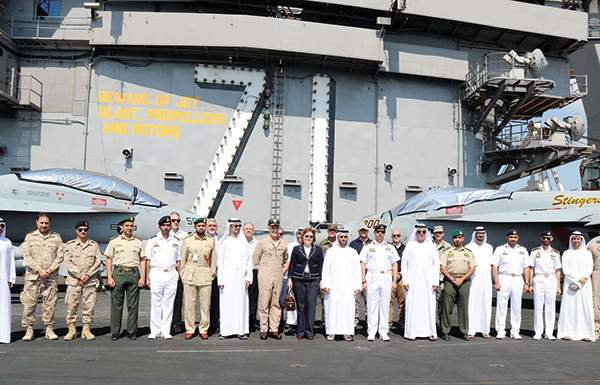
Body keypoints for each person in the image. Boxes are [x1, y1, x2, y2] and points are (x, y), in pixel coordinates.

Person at [21, 213, 64, 341]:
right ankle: (29, 330)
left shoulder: (56, 238)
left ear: (49, 223)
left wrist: (49, 270)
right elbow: (27, 256)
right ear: (37, 222)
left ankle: (49, 329)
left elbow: (60, 256)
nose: (44, 225)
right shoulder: (30, 237)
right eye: (42, 222)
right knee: (29, 304)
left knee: (50, 304)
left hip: (50, 278)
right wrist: (39, 270)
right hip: (33, 277)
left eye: (46, 223)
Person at [105, 216, 147, 341]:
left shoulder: (138, 242)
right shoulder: (114, 241)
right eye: (127, 226)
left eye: (131, 226)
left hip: (134, 273)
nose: (129, 228)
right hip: (119, 272)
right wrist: (109, 277)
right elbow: (109, 259)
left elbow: (142, 260)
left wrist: (143, 277)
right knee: (116, 304)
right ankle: (115, 331)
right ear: (122, 227)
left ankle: (132, 331)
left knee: (133, 304)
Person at [64, 220, 102, 341]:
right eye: (80, 230)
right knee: (72, 306)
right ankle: (72, 330)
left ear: (88, 230)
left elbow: (97, 262)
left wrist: (88, 275)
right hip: (74, 281)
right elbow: (67, 262)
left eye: (85, 230)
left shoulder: (94, 245)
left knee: (89, 306)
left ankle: (86, 329)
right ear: (76, 231)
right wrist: (80, 275)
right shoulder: (70, 245)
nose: (83, 232)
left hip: (89, 281)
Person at [360, 224, 399, 341]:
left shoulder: (390, 247)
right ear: (374, 233)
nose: (380, 234)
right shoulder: (368, 247)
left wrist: (394, 281)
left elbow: (395, 264)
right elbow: (363, 264)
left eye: (382, 232)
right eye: (378, 232)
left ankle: (383, 331)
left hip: (386, 276)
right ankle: (371, 331)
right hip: (372, 276)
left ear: (385, 233)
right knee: (372, 305)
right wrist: (363, 281)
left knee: (385, 305)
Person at [180, 217, 217, 340]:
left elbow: (213, 261)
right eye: (199, 226)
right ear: (195, 227)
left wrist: (212, 274)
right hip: (190, 274)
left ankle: (203, 329)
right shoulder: (188, 241)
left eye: (203, 226)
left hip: (205, 274)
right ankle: (190, 329)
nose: (201, 228)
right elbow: (183, 259)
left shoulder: (211, 241)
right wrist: (183, 274)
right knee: (189, 305)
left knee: (205, 305)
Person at [491, 229, 531, 340]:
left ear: (517, 238)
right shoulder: (500, 249)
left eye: (515, 237)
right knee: (501, 306)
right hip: (504, 277)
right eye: (511, 237)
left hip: (518, 278)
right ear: (507, 238)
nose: (513, 239)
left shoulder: (523, 250)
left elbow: (526, 267)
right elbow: (494, 266)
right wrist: (496, 282)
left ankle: (515, 331)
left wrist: (527, 282)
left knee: (517, 306)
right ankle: (500, 330)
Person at [322, 230, 362, 341]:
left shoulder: (353, 252)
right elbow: (326, 269)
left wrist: (357, 286)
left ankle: (347, 332)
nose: (343, 239)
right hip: (333, 285)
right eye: (341, 237)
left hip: (348, 286)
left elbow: (357, 270)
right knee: (332, 307)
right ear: (337, 238)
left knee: (347, 308)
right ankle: (331, 332)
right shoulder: (331, 251)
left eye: (345, 237)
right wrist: (326, 284)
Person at [145, 216, 181, 339]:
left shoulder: (176, 241)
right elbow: (148, 260)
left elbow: (178, 260)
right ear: (160, 226)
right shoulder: (153, 240)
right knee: (156, 303)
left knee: (168, 303)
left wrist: (179, 275)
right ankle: (154, 330)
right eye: (164, 226)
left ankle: (166, 330)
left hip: (171, 273)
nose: (166, 228)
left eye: (168, 225)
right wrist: (146, 277)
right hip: (156, 273)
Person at [217, 218, 253, 340]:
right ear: (230, 227)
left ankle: (241, 330)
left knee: (241, 304)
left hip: (241, 279)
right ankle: (226, 331)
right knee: (227, 304)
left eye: (239, 226)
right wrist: (220, 280)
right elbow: (220, 263)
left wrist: (248, 279)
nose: (237, 228)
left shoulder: (243, 243)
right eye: (235, 226)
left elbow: (249, 261)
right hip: (227, 280)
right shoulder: (224, 243)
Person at [402, 224, 439, 341]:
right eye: (419, 231)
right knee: (413, 306)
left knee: (428, 306)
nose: (421, 233)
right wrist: (405, 280)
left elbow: (436, 265)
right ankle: (411, 332)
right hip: (412, 282)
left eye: (423, 231)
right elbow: (404, 264)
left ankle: (429, 332)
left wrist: (435, 281)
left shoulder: (431, 247)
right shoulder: (410, 247)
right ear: (415, 233)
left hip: (428, 283)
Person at [253, 218, 288, 340]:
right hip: (265, 273)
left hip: (277, 273)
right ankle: (264, 329)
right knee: (264, 302)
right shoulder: (262, 243)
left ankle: (274, 329)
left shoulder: (283, 243)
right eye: (272, 227)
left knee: (275, 302)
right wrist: (262, 270)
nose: (274, 230)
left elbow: (284, 259)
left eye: (276, 227)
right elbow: (256, 259)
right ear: (268, 229)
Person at [439, 229, 477, 341]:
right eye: (455, 238)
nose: (457, 240)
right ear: (452, 239)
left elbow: (472, 268)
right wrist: (453, 279)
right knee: (447, 307)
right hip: (450, 281)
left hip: (464, 281)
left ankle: (464, 331)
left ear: (463, 239)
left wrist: (461, 279)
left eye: (460, 238)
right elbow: (442, 268)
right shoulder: (447, 252)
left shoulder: (468, 252)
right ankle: (445, 331)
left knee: (463, 307)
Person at [557, 231, 595, 341]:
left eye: (578, 239)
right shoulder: (567, 253)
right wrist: (576, 281)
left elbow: (589, 269)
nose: (576, 241)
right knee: (569, 308)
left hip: (584, 285)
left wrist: (579, 283)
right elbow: (566, 270)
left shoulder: (587, 253)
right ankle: (567, 332)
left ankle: (586, 333)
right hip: (570, 284)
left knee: (585, 307)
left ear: (582, 240)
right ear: (571, 240)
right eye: (574, 239)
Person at [288, 227, 323, 340]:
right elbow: (292, 264)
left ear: (313, 238)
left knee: (311, 305)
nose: (308, 238)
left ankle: (309, 330)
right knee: (301, 305)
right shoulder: (297, 249)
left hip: (313, 279)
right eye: (306, 236)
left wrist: (321, 279)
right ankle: (301, 330)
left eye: (310, 237)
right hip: (298, 279)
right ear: (302, 237)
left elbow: (321, 265)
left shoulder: (317, 249)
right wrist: (290, 278)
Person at [529, 230, 561, 340]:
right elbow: (531, 268)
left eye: (548, 238)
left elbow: (557, 270)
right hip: (539, 278)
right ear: (541, 239)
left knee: (550, 307)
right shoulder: (534, 252)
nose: (546, 240)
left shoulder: (555, 253)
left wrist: (558, 286)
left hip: (551, 278)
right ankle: (538, 331)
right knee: (538, 306)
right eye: (544, 238)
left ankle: (549, 332)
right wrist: (530, 283)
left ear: (552, 239)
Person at [466, 226, 493, 339]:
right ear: (475, 235)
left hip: (486, 279)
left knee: (485, 303)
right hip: (473, 279)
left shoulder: (489, 247)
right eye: (478, 233)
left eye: (482, 233)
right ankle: (471, 330)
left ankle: (484, 330)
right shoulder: (469, 247)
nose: (481, 235)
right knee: (472, 303)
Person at [170, 211, 188, 334]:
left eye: (177, 220)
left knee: (178, 299)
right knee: (165, 299)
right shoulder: (164, 234)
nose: (175, 223)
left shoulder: (185, 235)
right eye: (173, 220)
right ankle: (164, 323)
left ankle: (176, 322)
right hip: (168, 269)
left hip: (181, 269)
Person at [350, 224, 371, 328]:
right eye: (362, 230)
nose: (363, 232)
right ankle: (355, 319)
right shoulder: (353, 244)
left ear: (368, 232)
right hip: (357, 276)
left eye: (365, 231)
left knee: (369, 299)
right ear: (358, 231)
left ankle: (369, 319)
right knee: (356, 299)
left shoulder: (372, 243)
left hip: (369, 276)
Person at [284, 228, 303, 329]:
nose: (300, 235)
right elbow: (288, 262)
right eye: (299, 233)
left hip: (303, 277)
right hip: (291, 275)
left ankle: (301, 320)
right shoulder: (290, 246)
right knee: (291, 299)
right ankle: (290, 320)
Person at [0, 218, 15, 344]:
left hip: (3, 280)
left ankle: (3, 336)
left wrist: (11, 278)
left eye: (1, 226)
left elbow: (11, 262)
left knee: (3, 308)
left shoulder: (7, 242)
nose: (0, 228)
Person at [433, 225, 451, 327]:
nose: (438, 234)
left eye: (440, 232)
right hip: (431, 279)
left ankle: (442, 326)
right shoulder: (429, 246)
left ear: (443, 233)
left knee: (442, 304)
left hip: (443, 279)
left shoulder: (448, 247)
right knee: (430, 304)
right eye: (436, 233)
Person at [244, 222, 261, 331]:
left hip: (254, 272)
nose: (249, 231)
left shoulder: (257, 243)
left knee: (253, 298)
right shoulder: (239, 242)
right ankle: (243, 320)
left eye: (250, 229)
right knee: (242, 297)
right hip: (242, 273)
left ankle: (252, 320)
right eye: (247, 229)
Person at [388, 229, 405, 329]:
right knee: (389, 302)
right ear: (391, 237)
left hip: (401, 277)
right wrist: (392, 273)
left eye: (398, 235)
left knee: (402, 301)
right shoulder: (389, 248)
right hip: (390, 277)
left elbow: (407, 263)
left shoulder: (405, 249)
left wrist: (400, 274)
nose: (396, 237)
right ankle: (388, 322)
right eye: (394, 236)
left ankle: (402, 321)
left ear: (401, 237)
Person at [207, 218, 220, 334]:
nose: (212, 227)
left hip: (218, 272)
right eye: (210, 225)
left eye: (214, 226)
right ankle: (205, 323)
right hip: (205, 272)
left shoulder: (220, 239)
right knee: (204, 300)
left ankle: (214, 322)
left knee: (216, 299)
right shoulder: (203, 239)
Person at [587, 239, 600, 341]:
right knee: (596, 300)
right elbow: (587, 261)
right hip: (596, 273)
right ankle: (596, 328)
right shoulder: (593, 246)